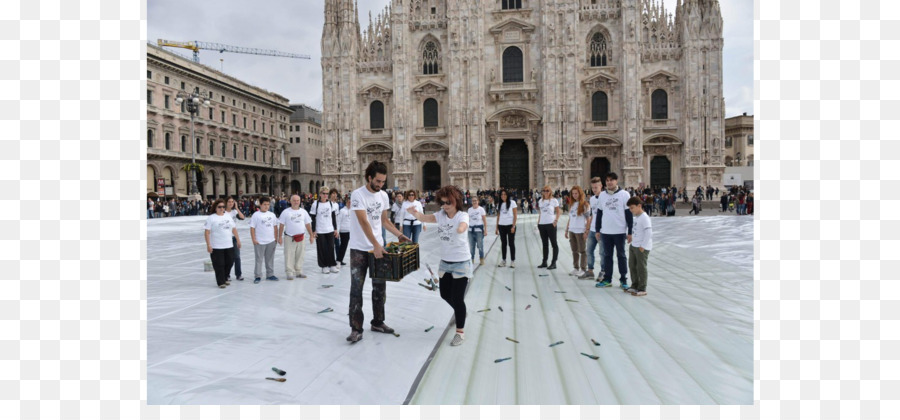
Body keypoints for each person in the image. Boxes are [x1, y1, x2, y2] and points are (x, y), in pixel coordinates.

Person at [346, 161, 411, 343]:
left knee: (379, 288)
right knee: (356, 289)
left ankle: (378, 322)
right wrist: (374, 244)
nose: (381, 184)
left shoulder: (383, 196)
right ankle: (356, 328)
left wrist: (399, 235)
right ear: (369, 178)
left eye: (383, 181)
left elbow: (384, 221)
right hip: (360, 249)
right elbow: (363, 221)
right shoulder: (358, 195)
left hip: (378, 248)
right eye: (378, 181)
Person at [406, 186, 471, 346]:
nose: (445, 205)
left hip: (461, 262)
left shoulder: (462, 215)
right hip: (445, 262)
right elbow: (423, 218)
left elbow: (463, 225)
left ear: (456, 200)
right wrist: (414, 213)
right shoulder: (440, 215)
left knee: (457, 297)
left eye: (448, 202)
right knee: (444, 294)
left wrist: (460, 229)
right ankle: (460, 310)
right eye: (442, 203)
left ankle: (460, 332)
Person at [595, 172, 633, 289]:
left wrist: (630, 232)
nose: (609, 182)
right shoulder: (602, 195)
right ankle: (607, 279)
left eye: (611, 180)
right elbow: (599, 214)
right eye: (607, 180)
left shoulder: (624, 194)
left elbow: (628, 214)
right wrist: (597, 230)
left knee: (621, 255)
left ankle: (623, 279)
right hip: (606, 231)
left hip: (620, 231)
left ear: (616, 181)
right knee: (607, 256)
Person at [204, 199, 240, 289]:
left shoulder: (227, 216)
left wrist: (238, 240)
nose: (221, 208)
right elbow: (207, 232)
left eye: (223, 207)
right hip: (217, 245)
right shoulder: (211, 218)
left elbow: (234, 229)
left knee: (230, 262)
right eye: (219, 207)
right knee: (219, 264)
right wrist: (208, 245)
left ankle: (225, 277)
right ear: (215, 208)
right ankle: (221, 281)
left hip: (228, 244)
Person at [277, 194, 313, 280]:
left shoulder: (303, 212)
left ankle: (298, 271)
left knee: (300, 254)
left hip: (301, 237)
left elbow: (308, 224)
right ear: (290, 201)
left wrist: (311, 235)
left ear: (300, 201)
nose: (296, 202)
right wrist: (280, 237)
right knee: (289, 255)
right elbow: (281, 225)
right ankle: (289, 272)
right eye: (294, 200)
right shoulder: (286, 212)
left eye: (298, 200)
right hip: (290, 237)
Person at [310, 186, 340, 274]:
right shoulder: (315, 204)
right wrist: (313, 230)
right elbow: (313, 218)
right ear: (320, 194)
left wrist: (335, 229)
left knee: (331, 247)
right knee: (322, 248)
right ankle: (324, 266)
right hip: (320, 230)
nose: (325, 195)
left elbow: (333, 217)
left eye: (327, 194)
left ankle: (332, 265)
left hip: (329, 229)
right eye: (324, 193)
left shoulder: (330, 204)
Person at [625, 196, 652, 296]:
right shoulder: (637, 218)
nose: (631, 210)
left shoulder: (644, 217)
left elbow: (648, 232)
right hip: (634, 245)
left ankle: (642, 288)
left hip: (641, 247)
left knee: (641, 267)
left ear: (639, 206)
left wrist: (643, 245)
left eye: (632, 208)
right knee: (632, 266)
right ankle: (634, 285)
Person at [249, 196, 279, 284]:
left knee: (270, 259)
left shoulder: (272, 215)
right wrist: (254, 239)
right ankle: (258, 275)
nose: (266, 206)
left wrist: (275, 238)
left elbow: (275, 227)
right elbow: (252, 228)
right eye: (264, 204)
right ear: (260, 205)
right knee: (259, 259)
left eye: (268, 204)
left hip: (271, 240)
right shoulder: (256, 215)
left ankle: (270, 274)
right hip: (260, 241)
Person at [579, 178, 604, 280]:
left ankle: (603, 271)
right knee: (589, 251)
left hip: (602, 230)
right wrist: (587, 229)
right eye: (592, 187)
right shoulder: (592, 199)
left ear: (601, 186)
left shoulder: (605, 197)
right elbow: (592, 215)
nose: (594, 189)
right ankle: (590, 271)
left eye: (596, 187)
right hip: (592, 230)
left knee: (602, 252)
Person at [565, 185, 590, 277]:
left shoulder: (585, 205)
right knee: (574, 250)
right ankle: (576, 267)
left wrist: (586, 231)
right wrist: (566, 229)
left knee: (582, 250)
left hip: (580, 230)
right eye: (573, 194)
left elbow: (588, 219)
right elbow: (570, 218)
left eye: (576, 193)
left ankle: (583, 268)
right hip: (572, 229)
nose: (575, 195)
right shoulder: (572, 204)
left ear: (580, 193)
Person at [537, 185, 561, 270]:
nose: (545, 192)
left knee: (554, 243)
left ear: (550, 192)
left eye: (547, 190)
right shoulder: (540, 201)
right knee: (545, 244)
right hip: (542, 224)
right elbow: (541, 213)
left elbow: (558, 212)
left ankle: (554, 262)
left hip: (551, 224)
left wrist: (556, 221)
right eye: (544, 190)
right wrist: (538, 223)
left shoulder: (554, 200)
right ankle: (544, 262)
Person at [224, 196, 246, 281]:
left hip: (234, 237)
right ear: (226, 202)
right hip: (226, 237)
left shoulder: (234, 212)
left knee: (237, 257)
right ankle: (227, 274)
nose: (231, 203)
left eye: (232, 202)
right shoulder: (223, 212)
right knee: (228, 257)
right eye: (229, 202)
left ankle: (238, 274)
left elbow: (243, 217)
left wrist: (237, 208)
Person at [494, 189, 517, 268]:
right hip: (501, 225)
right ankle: (504, 260)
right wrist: (496, 228)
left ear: (507, 195)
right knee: (503, 244)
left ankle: (512, 261)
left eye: (505, 194)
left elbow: (515, 215)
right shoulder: (499, 204)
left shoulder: (512, 203)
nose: (503, 196)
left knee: (511, 243)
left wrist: (513, 226)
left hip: (510, 225)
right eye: (502, 194)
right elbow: (498, 216)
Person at [467, 196, 488, 265]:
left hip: (478, 230)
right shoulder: (469, 210)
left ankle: (481, 258)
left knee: (480, 245)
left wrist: (485, 230)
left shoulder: (481, 209)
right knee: (471, 246)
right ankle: (471, 259)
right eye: (473, 201)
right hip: (470, 230)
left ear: (478, 201)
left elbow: (484, 220)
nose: (474, 202)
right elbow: (468, 220)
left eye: (475, 200)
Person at [336, 196, 352, 265]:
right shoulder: (342, 211)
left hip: (351, 231)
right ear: (346, 203)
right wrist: (338, 231)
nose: (350, 204)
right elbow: (338, 221)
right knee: (343, 246)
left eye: (351, 202)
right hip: (344, 231)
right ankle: (339, 260)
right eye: (348, 202)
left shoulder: (353, 211)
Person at [330, 189, 343, 262]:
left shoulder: (337, 205)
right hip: (329, 226)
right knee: (331, 245)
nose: (335, 195)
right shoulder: (328, 203)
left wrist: (338, 228)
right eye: (333, 193)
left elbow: (337, 216)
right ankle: (331, 259)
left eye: (336, 194)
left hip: (336, 226)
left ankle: (338, 259)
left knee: (337, 244)